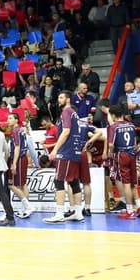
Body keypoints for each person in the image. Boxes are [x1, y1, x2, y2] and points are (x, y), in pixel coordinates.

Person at [44, 91, 85, 223]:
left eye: (61, 97)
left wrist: (55, 149)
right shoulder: (75, 113)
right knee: (74, 182)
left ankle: (59, 213)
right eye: (58, 97)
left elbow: (66, 131)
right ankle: (78, 213)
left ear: (68, 99)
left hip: (66, 152)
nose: (59, 99)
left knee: (59, 181)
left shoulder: (66, 112)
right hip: (75, 152)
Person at [107, 105, 140, 219]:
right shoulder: (131, 125)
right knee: (133, 182)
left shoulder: (114, 127)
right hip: (132, 154)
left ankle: (129, 211)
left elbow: (110, 144)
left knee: (126, 184)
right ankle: (139, 207)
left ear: (113, 115)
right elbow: (134, 142)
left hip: (121, 155)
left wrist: (111, 153)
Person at [7, 113, 33, 218]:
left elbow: (17, 147)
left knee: (11, 185)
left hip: (19, 159)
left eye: (10, 118)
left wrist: (14, 163)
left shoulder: (16, 130)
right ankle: (25, 208)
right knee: (22, 184)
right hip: (22, 158)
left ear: (16, 120)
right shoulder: (21, 129)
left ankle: (28, 207)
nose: (8, 120)